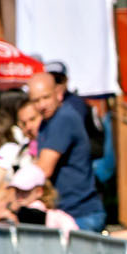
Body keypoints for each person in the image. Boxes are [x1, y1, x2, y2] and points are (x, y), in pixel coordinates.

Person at [25, 68, 105, 231]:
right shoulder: (48, 121)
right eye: (36, 101)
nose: (42, 105)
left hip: (80, 213)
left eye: (46, 97)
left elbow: (44, 169)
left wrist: (9, 195)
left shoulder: (63, 118)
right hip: (65, 212)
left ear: (58, 93)